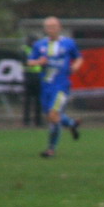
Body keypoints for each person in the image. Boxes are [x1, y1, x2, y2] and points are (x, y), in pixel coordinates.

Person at [27, 16, 82, 157]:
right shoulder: (39, 45)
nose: (51, 29)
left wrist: (75, 67)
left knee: (53, 115)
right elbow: (30, 62)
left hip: (61, 86)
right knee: (51, 117)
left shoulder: (68, 43)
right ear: (45, 29)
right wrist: (39, 61)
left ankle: (51, 149)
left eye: (54, 26)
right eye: (48, 27)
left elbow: (79, 58)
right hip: (46, 86)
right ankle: (71, 124)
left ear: (59, 27)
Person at [21, 36, 43, 127]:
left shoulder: (40, 50)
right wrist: (38, 62)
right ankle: (26, 121)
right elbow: (25, 62)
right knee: (27, 100)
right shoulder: (25, 50)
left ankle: (38, 121)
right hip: (28, 76)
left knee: (38, 100)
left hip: (38, 76)